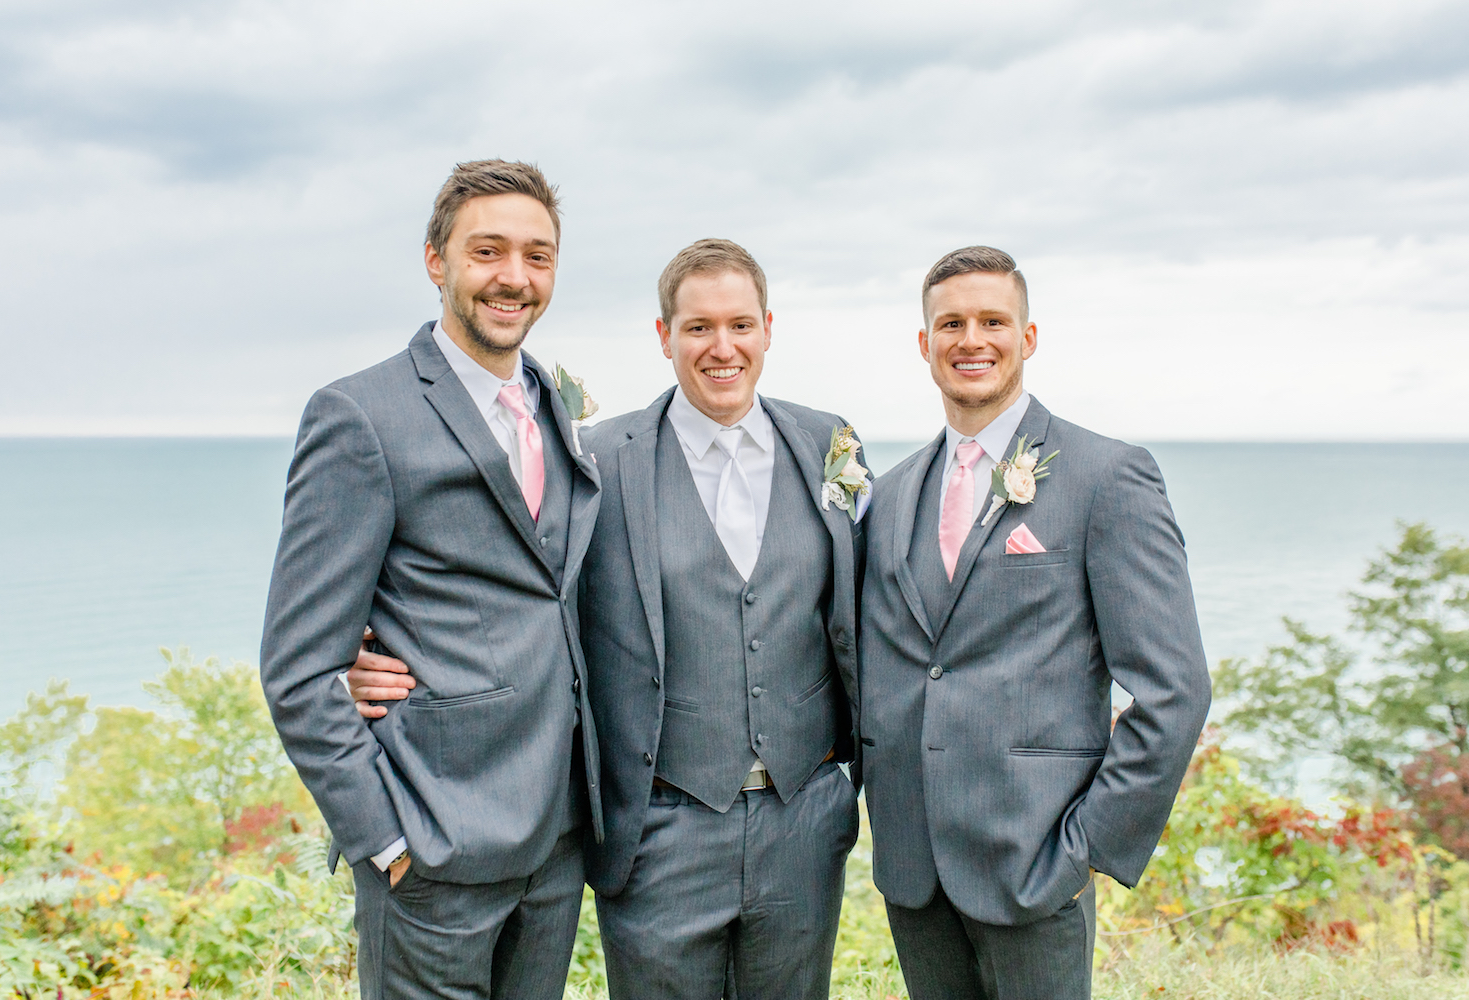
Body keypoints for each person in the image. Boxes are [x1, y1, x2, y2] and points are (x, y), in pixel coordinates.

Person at [349, 239, 867, 1000]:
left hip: (804, 824)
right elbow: (510, 582)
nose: (721, 348)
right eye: (697, 328)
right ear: (664, 336)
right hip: (657, 830)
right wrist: (370, 644)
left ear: (767, 329)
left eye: (740, 325)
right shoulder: (596, 459)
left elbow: (882, 594)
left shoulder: (829, 446)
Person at [259, 159, 602, 1000]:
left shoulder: (554, 403)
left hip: (555, 846)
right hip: (433, 853)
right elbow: (299, 669)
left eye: (538, 256)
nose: (514, 278)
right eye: (488, 251)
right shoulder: (361, 415)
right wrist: (386, 841)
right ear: (435, 260)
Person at [858, 246, 1211, 1000]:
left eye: (993, 320)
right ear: (925, 345)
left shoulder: (1107, 476)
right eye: (950, 323)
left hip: (1038, 865)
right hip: (914, 872)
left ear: (1029, 336)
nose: (971, 340)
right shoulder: (887, 496)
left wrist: (1084, 848)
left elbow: (1174, 691)